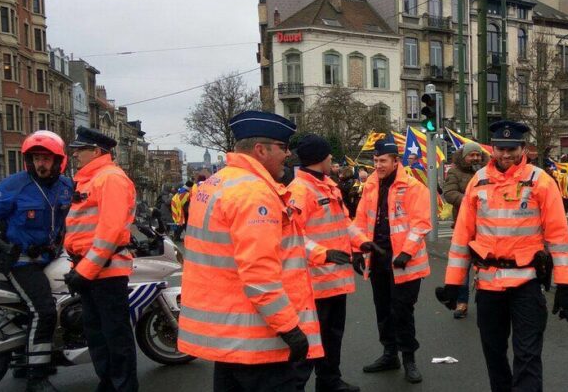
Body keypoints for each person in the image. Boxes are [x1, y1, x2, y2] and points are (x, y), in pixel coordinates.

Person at [178, 111, 323, 391]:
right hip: (260, 340)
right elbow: (260, 275)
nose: (288, 155)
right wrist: (290, 329)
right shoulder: (254, 193)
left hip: (230, 334)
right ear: (261, 150)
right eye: (282, 147)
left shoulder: (215, 184)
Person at [439, 120, 568, 392]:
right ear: (493, 149)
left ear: (522, 148)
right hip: (489, 285)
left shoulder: (540, 181)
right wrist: (453, 284)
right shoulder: (478, 182)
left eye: (512, 149)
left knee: (527, 356)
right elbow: (462, 237)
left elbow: (559, 238)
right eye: (501, 149)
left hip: (526, 284)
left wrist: (566, 287)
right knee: (494, 355)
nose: (506, 155)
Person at [0, 131, 73, 392]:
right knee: (43, 310)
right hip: (20, 261)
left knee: (69, 296)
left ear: (58, 161)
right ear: (29, 161)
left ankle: (25, 359)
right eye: (36, 158)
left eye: (46, 158)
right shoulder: (13, 185)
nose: (41, 164)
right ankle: (36, 376)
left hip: (52, 256)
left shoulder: (66, 186)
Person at [288, 134, 382, 392]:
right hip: (314, 281)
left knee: (332, 336)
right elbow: (293, 235)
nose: (332, 159)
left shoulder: (327, 185)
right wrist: (324, 254)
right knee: (310, 340)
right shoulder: (300, 190)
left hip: (334, 279)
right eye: (329, 155)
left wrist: (362, 242)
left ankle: (329, 381)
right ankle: (297, 386)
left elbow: (343, 224)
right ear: (320, 158)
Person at [62, 127, 138, 392]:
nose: (76, 155)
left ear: (96, 151)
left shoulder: (110, 179)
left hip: (104, 273)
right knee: (98, 336)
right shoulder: (92, 179)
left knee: (114, 336)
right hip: (93, 271)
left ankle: (121, 387)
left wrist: (85, 270)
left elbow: (110, 231)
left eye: (80, 150)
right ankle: (109, 384)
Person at [352, 134, 431, 384]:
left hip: (405, 263)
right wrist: (356, 249)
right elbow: (361, 220)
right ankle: (389, 354)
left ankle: (409, 358)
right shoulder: (370, 186)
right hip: (378, 260)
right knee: (383, 310)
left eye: (383, 160)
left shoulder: (414, 187)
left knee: (402, 312)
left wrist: (406, 252)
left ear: (396, 161)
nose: (378, 165)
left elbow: (421, 223)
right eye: (375, 160)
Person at [442, 142, 487, 319]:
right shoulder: (454, 172)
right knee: (463, 266)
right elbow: (449, 193)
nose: (475, 158)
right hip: (464, 226)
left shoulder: (487, 171)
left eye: (478, 155)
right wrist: (472, 201)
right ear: (464, 156)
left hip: (486, 227)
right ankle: (462, 302)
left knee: (485, 267)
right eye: (472, 155)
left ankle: (486, 300)